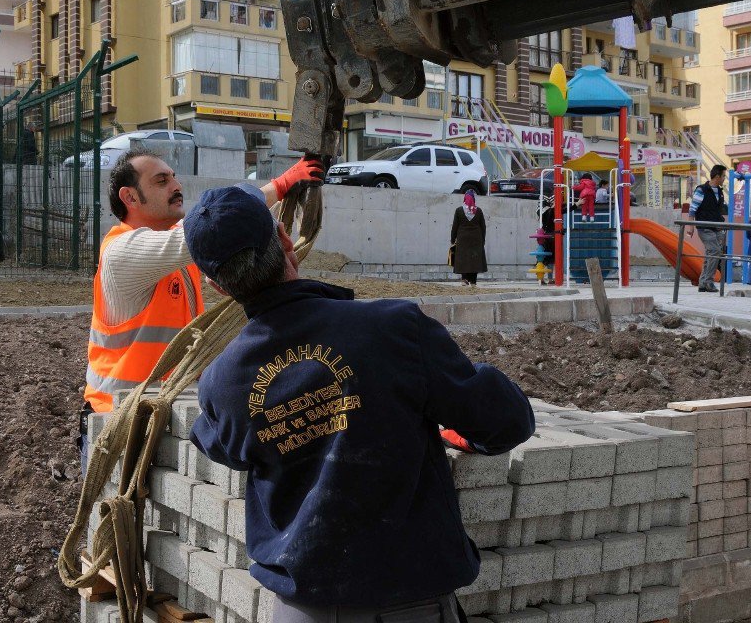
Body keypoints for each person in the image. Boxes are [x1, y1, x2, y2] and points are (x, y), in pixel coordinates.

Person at [181, 185, 534, 621]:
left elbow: (221, 443)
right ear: (286, 240)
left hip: (300, 611)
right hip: (409, 607)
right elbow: (507, 422)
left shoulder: (223, 382)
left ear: (216, 286)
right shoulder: (392, 328)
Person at [81, 149, 323, 467]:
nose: (175, 185)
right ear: (130, 197)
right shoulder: (122, 252)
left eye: (174, 177)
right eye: (161, 180)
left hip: (161, 408)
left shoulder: (177, 254)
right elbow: (215, 227)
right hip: (113, 420)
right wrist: (279, 185)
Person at [686, 164, 728, 292]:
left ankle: (703, 283)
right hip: (705, 227)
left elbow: (718, 211)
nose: (724, 179)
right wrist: (690, 225)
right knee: (714, 251)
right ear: (717, 176)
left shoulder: (720, 192)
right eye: (723, 176)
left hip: (717, 227)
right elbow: (693, 208)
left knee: (711, 253)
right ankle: (709, 281)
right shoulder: (702, 190)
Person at [450, 190, 487, 286]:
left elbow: (455, 226)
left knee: (463, 258)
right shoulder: (478, 211)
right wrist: (483, 239)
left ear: (465, 198)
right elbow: (483, 226)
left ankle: (464, 279)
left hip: (463, 238)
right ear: (473, 199)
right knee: (475, 259)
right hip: (476, 238)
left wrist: (452, 239)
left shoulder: (459, 210)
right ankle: (473, 281)